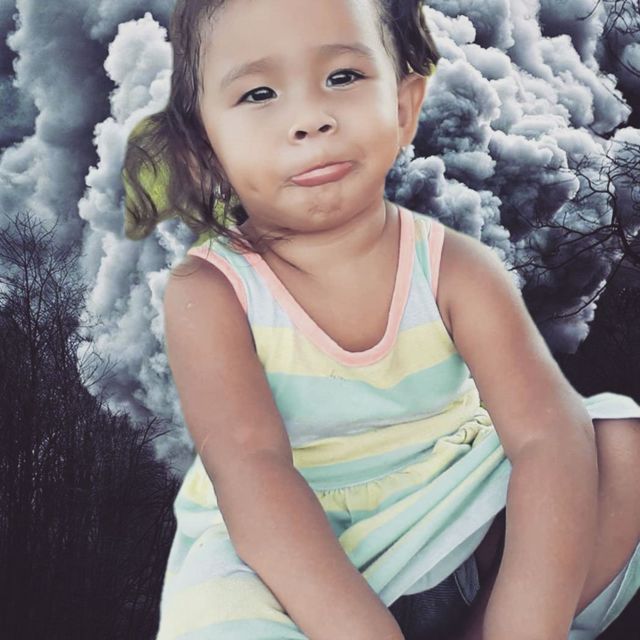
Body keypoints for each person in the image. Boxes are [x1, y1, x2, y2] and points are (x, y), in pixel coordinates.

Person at [121, 1, 640, 638]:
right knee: (222, 609)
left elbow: (545, 433)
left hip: (454, 506)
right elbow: (252, 470)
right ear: (203, 147)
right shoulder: (211, 292)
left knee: (619, 446)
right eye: (259, 93)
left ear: (403, 106)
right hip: (294, 554)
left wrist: (524, 619)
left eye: (342, 77)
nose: (310, 119)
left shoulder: (453, 267)